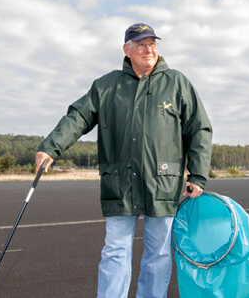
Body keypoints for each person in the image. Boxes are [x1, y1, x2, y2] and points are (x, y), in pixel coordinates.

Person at [35, 23, 212, 298]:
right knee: (115, 251)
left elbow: (198, 129)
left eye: (152, 44)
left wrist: (198, 176)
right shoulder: (107, 86)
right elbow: (78, 117)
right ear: (126, 49)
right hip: (120, 184)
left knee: (159, 253)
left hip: (162, 184)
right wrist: (50, 147)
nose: (148, 49)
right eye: (141, 44)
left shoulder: (177, 83)